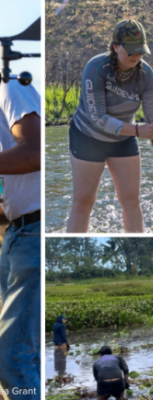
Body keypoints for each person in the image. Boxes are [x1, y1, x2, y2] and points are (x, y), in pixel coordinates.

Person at [66, 19, 153, 233]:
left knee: (131, 201)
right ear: (115, 47)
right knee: (83, 201)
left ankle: (135, 252)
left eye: (140, 52)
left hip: (123, 140)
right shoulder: (96, 68)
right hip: (87, 137)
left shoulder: (146, 75)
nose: (136, 57)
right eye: (131, 52)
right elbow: (98, 117)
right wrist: (137, 131)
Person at [0, 77, 41, 397]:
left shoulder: (9, 88)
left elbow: (34, 154)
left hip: (32, 234)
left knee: (12, 356)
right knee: (28, 352)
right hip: (17, 233)